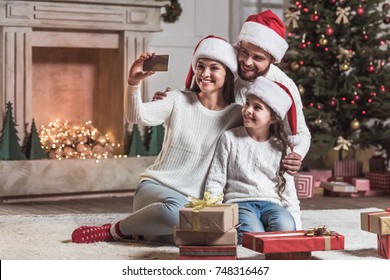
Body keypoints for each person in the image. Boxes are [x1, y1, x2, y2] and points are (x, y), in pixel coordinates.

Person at [71, 35, 243, 244]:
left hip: (196, 203)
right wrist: (134, 83)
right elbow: (137, 116)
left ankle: (144, 230)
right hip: (157, 190)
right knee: (177, 215)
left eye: (214, 68)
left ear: (228, 73)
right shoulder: (177, 100)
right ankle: (115, 230)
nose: (205, 74)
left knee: (187, 237)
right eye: (200, 66)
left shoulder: (237, 115)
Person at [153, 10, 311, 176]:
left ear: (272, 59)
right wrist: (168, 103)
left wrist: (296, 155)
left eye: (258, 58)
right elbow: (194, 102)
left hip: (260, 166)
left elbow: (300, 133)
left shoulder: (284, 86)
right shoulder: (225, 66)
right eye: (244, 52)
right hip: (215, 161)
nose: (247, 62)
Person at [204, 76, 302, 243]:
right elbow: (216, 178)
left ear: (272, 118)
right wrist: (215, 213)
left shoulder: (281, 146)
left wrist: (297, 228)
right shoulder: (229, 138)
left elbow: (288, 192)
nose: (248, 110)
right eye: (247, 103)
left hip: (271, 203)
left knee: (286, 228)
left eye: (257, 107)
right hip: (239, 202)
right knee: (253, 236)